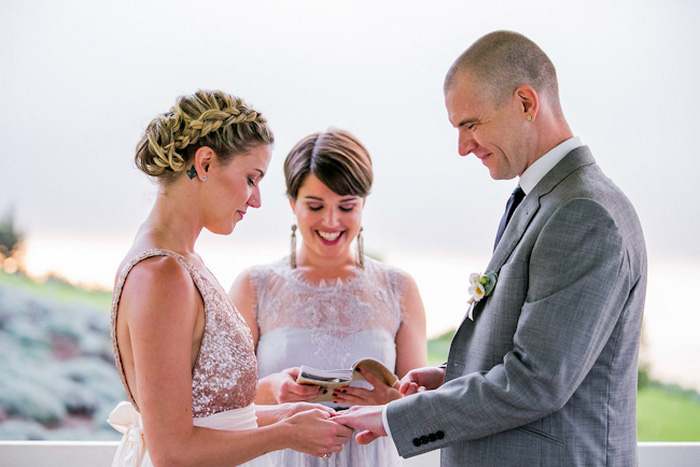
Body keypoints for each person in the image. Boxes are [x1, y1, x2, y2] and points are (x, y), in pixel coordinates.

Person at [334, 30, 647, 466]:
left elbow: (536, 382)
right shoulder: (544, 200)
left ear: (525, 103)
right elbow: (538, 348)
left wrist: (393, 417)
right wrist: (451, 377)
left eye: (471, 124)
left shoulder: (584, 213)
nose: (463, 147)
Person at [108, 90, 352, 467]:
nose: (256, 200)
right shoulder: (161, 274)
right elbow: (172, 452)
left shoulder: (184, 263)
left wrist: (287, 416)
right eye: (252, 179)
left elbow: (215, 420)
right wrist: (285, 435)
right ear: (204, 163)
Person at [229, 128, 428, 466]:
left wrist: (389, 402)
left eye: (346, 206)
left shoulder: (399, 288)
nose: (331, 221)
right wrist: (273, 390)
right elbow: (224, 404)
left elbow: (419, 405)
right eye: (315, 205)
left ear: (363, 205)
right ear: (292, 204)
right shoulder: (255, 285)